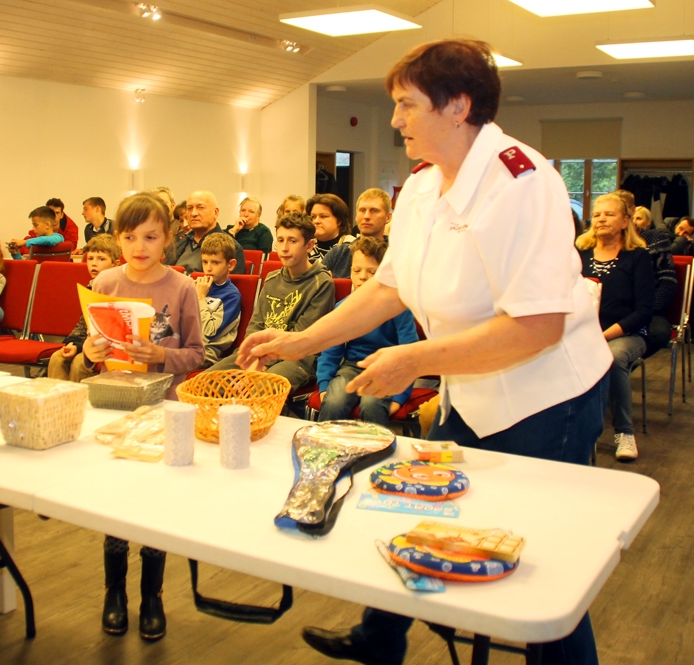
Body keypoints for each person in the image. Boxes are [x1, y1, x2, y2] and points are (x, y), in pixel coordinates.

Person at [237, 39, 612, 665]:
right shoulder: (420, 188)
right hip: (474, 385)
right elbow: (389, 289)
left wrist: (415, 360)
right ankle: (381, 637)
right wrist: (301, 340)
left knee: (543, 566)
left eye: (407, 105)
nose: (394, 120)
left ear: (458, 106)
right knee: (425, 506)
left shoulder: (524, 182)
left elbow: (539, 327)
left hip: (549, 395)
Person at [89, 193, 204, 642]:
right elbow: (89, 346)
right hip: (116, 402)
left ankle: (152, 594)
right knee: (116, 501)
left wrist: (161, 354)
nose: (140, 246)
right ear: (118, 239)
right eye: (130, 237)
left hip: (164, 406)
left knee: (155, 503)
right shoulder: (105, 282)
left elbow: (197, 354)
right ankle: (113, 591)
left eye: (150, 237)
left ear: (167, 240)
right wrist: (88, 350)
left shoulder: (181, 288)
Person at [208, 211, 335, 391]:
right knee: (207, 382)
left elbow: (299, 339)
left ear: (309, 245)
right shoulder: (272, 278)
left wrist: (261, 366)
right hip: (260, 354)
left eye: (292, 241)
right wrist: (253, 359)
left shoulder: (321, 283)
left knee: (256, 390)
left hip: (297, 359)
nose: (284, 248)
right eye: (280, 240)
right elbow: (256, 325)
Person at [577, 194, 654, 461]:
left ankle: (624, 432)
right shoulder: (579, 254)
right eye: (597, 215)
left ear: (624, 221)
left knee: (612, 357)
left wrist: (602, 335)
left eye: (609, 214)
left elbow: (644, 311)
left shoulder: (638, 257)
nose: (601, 219)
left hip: (625, 334)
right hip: (581, 331)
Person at [316, 238, 417, 425]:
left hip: (387, 367)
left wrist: (399, 397)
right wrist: (324, 386)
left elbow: (409, 353)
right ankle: (326, 448)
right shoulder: (344, 307)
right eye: (356, 270)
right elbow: (330, 351)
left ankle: (376, 451)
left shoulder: (398, 307)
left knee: (371, 404)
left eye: (372, 272)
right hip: (353, 366)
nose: (363, 277)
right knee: (334, 402)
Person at [48, 234, 122, 381]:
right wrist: (72, 343)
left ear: (116, 264)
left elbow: (110, 330)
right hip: (86, 343)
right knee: (57, 358)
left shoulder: (118, 289)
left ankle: (80, 402)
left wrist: (80, 347)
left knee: (79, 364)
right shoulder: (91, 286)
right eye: (90, 258)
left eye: (101, 259)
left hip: (108, 347)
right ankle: (57, 401)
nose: (94, 264)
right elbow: (84, 322)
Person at [615, 190, 676, 351]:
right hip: (612, 310)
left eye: (622, 208)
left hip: (648, 310)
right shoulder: (600, 243)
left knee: (658, 332)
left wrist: (641, 312)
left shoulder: (655, 239)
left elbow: (667, 284)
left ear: (632, 210)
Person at [195, 233, 241, 366]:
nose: (208, 268)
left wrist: (200, 297)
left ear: (230, 265)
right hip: (187, 344)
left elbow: (209, 332)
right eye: (205, 262)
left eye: (215, 262)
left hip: (207, 352)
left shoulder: (231, 296)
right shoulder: (199, 286)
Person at [323, 189, 391, 278]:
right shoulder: (338, 254)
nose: (366, 216)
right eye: (362, 210)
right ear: (356, 216)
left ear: (388, 217)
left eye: (374, 211)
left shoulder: (397, 254)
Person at [173, 190, 245, 275]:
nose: (194, 213)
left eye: (201, 207)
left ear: (216, 212)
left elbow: (227, 286)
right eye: (190, 208)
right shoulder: (180, 242)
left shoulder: (231, 247)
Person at [306, 193, 354, 263]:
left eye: (323, 216)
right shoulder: (306, 247)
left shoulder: (352, 247)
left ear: (339, 221)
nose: (316, 221)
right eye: (313, 217)